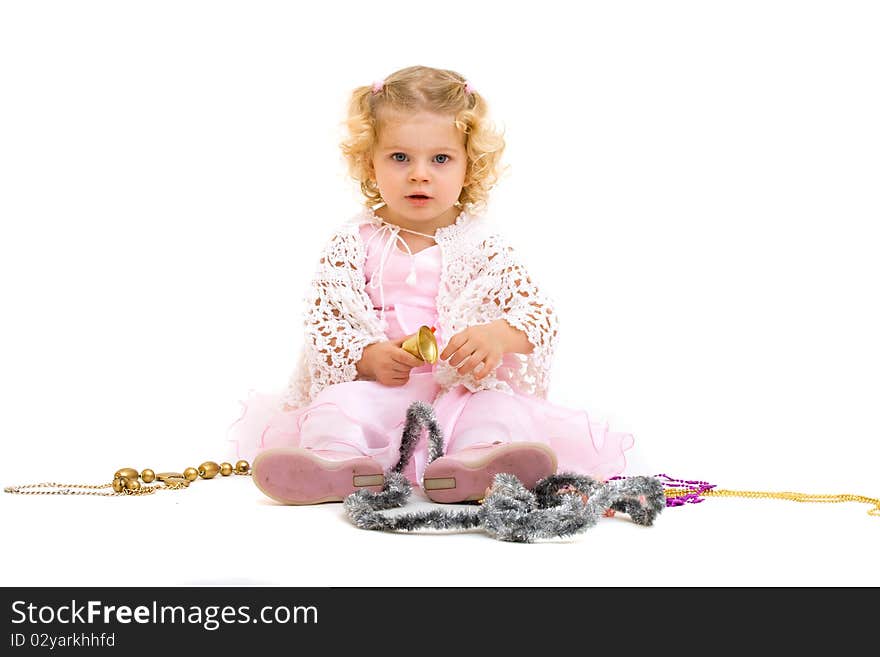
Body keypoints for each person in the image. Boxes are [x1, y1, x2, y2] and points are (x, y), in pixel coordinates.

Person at [227, 65, 634, 505]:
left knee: (498, 410)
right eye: (400, 158)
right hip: (383, 390)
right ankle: (337, 463)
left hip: (461, 389)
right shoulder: (355, 240)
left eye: (440, 159)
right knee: (338, 406)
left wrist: (495, 336)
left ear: (468, 165)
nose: (419, 174)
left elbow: (536, 317)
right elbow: (327, 323)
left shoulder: (481, 243)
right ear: (370, 163)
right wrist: (367, 357)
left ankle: (481, 462)